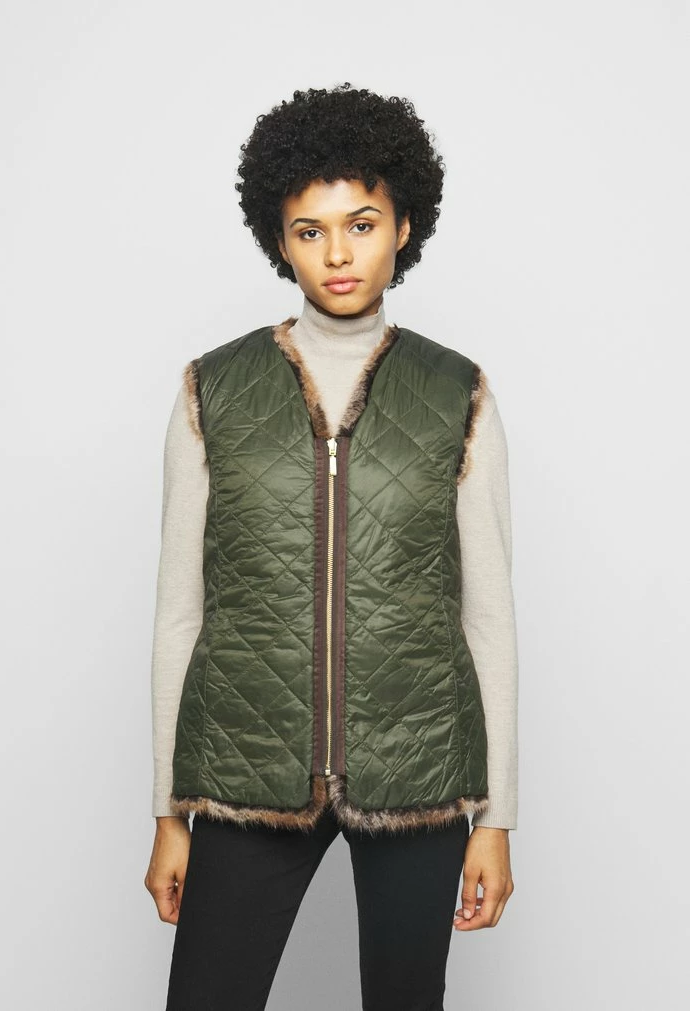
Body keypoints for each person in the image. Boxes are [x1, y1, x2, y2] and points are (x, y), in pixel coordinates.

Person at [144, 83, 519, 1011]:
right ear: (281, 240)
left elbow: (488, 617)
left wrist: (496, 818)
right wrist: (169, 810)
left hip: (421, 766)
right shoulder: (212, 390)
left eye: (362, 224)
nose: (339, 253)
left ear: (404, 226)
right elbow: (180, 613)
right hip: (245, 764)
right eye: (310, 231)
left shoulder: (457, 392)